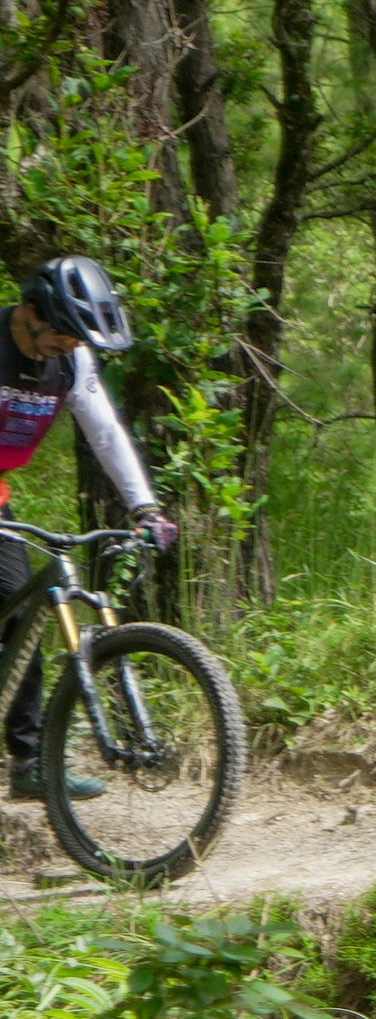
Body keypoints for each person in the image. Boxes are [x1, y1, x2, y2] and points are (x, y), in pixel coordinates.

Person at [0, 256, 171, 803]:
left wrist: (145, 508)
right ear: (29, 312)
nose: (69, 347)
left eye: (78, 340)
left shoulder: (73, 364)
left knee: (22, 609)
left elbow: (106, 433)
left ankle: (31, 765)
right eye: (62, 335)